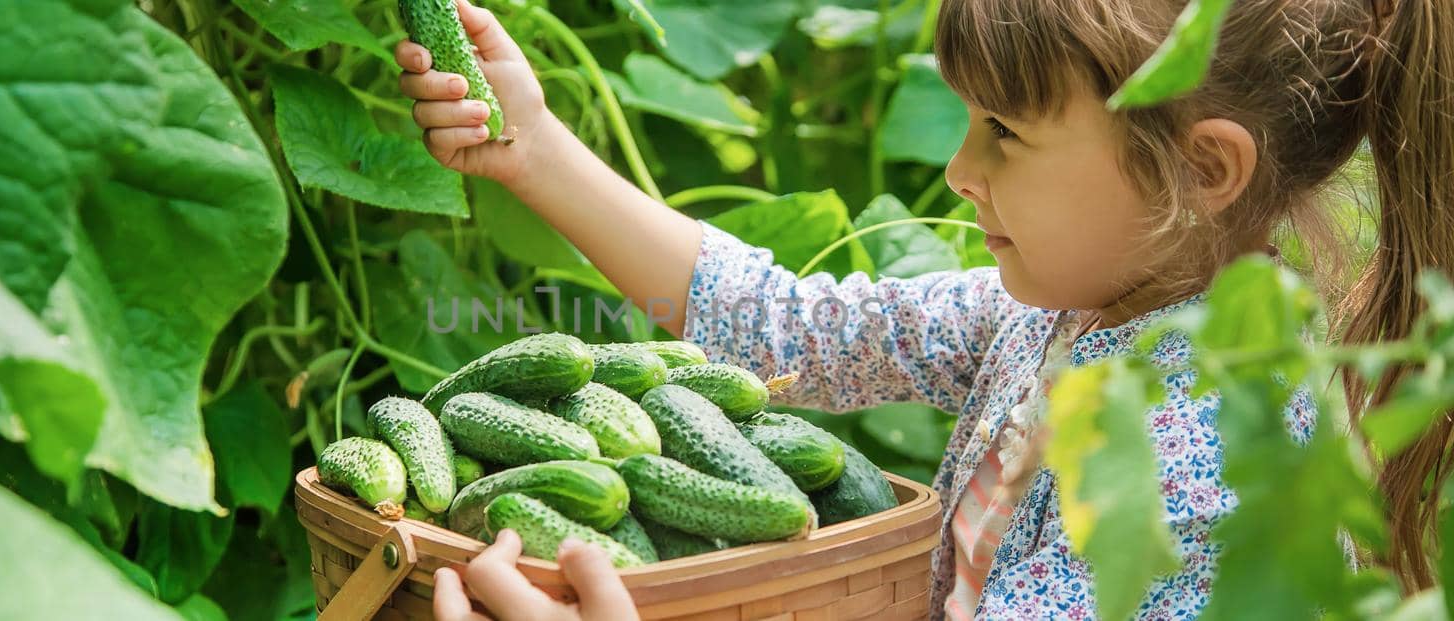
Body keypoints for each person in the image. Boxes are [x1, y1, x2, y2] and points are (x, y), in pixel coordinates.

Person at [399, 0, 1453, 618]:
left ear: (1202, 168)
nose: (957, 168)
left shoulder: (1201, 476)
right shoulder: (1059, 314)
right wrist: (533, 155)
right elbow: (785, 330)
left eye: (1004, 131)